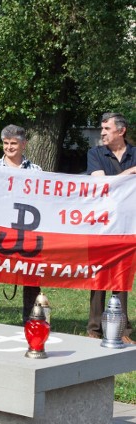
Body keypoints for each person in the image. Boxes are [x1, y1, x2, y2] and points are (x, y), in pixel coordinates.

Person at [0, 125, 42, 323]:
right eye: (6, 143)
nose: (9, 147)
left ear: (23, 145)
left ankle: (31, 318)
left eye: (13, 143)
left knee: (31, 276)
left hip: (27, 230)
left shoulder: (36, 170)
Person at [85, 112, 135, 343]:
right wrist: (128, 174)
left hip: (128, 224)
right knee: (99, 274)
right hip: (101, 224)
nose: (102, 133)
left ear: (121, 131)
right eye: (102, 128)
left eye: (107, 128)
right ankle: (94, 328)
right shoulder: (95, 153)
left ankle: (122, 329)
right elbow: (100, 184)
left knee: (121, 275)